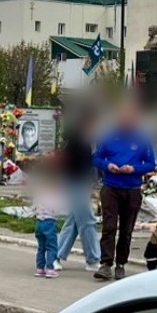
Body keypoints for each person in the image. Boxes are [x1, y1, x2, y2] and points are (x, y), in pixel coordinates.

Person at [92, 99, 157, 281]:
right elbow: (96, 159)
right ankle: (106, 264)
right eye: (123, 119)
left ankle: (121, 264)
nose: (126, 122)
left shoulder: (142, 139)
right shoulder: (109, 137)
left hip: (132, 189)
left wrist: (133, 169)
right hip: (111, 187)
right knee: (109, 226)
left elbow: (151, 164)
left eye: (129, 119)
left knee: (126, 229)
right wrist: (108, 165)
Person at [54, 111, 102, 272]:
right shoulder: (76, 141)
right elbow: (69, 164)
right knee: (88, 220)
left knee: (74, 221)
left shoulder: (92, 141)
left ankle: (55, 256)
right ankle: (93, 259)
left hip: (84, 183)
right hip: (75, 182)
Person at [32, 165, 61, 278]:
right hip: (50, 222)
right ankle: (50, 268)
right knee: (51, 246)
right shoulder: (54, 197)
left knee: (41, 247)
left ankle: (39, 268)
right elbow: (57, 210)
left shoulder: (39, 196)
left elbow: (34, 208)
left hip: (39, 222)